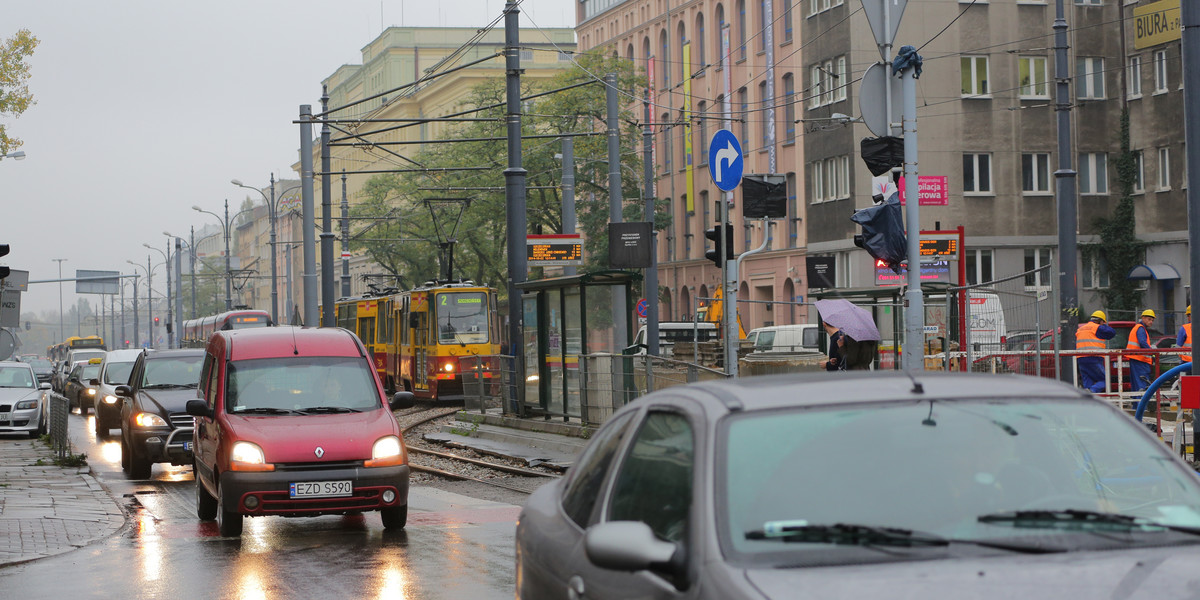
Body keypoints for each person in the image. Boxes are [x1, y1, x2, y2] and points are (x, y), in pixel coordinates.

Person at [1076, 310, 1116, 393]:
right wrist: (1104, 325)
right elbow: (1112, 332)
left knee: (1088, 383)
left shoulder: (1081, 328)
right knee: (1106, 380)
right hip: (1093, 358)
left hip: (1080, 359)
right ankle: (1092, 391)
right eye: (1103, 322)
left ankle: (1089, 399)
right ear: (1100, 321)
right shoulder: (1097, 327)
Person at [1125, 309, 1156, 391]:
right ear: (1143, 318)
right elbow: (1142, 342)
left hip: (1136, 359)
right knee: (1142, 384)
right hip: (1140, 361)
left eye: (1152, 320)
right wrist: (1152, 353)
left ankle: (1136, 403)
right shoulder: (1141, 329)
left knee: (1136, 384)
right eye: (1149, 319)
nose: (1151, 322)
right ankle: (1141, 403)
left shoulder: (1138, 328)